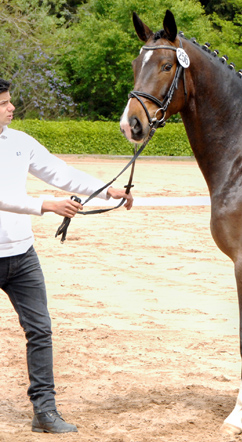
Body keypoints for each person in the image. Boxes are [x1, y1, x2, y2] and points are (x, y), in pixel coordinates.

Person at [0, 78, 134, 433]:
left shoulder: (18, 142)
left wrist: (108, 191)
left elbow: (61, 173)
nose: (11, 108)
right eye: (4, 104)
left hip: (21, 254)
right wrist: (45, 204)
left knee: (40, 330)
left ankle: (44, 411)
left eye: (9, 101)